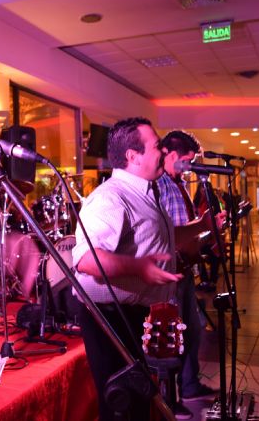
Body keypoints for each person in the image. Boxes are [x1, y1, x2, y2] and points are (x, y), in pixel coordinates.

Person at [71, 118, 218, 421]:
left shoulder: (146, 193)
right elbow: (86, 258)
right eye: (156, 145)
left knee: (136, 400)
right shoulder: (110, 197)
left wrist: (203, 226)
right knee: (120, 403)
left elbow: (164, 237)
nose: (164, 149)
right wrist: (139, 267)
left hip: (132, 314)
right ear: (132, 156)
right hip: (109, 318)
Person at [157, 130, 222, 417]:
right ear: (169, 155)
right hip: (166, 273)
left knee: (193, 332)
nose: (189, 167)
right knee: (169, 339)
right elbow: (167, 232)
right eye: (185, 161)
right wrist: (201, 225)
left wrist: (207, 226)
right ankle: (167, 398)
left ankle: (190, 385)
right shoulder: (157, 184)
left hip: (183, 270)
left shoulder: (179, 184)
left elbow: (186, 228)